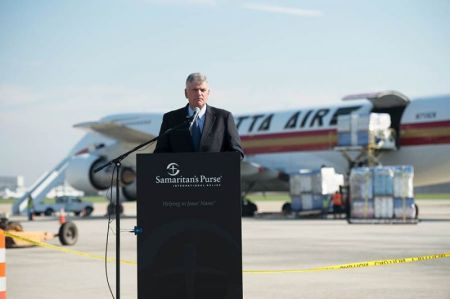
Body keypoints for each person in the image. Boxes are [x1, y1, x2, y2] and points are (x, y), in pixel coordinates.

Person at [154, 72, 244, 158]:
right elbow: (160, 153)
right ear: (186, 93)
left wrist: (216, 162)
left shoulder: (223, 117)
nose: (199, 93)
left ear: (208, 93)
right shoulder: (171, 119)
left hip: (214, 172)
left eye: (203, 90)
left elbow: (236, 152)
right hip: (182, 172)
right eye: (195, 90)